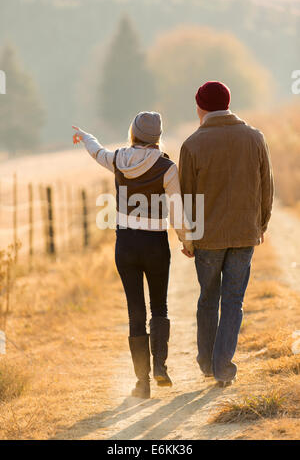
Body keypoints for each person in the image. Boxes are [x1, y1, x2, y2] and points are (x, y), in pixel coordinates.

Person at [72, 111, 193, 398]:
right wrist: (187, 242)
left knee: (135, 313)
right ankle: (160, 366)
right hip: (155, 244)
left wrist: (85, 136)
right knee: (159, 307)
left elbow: (97, 152)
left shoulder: (118, 159)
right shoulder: (167, 167)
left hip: (125, 244)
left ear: (134, 133)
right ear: (157, 137)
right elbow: (176, 212)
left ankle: (142, 383)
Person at [179, 81, 274, 387]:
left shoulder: (192, 145)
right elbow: (266, 186)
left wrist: (188, 238)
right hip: (245, 233)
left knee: (208, 298)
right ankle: (223, 367)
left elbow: (186, 199)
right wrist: (260, 225)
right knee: (233, 301)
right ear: (228, 104)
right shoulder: (254, 137)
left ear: (200, 107)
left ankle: (207, 363)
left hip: (208, 238)